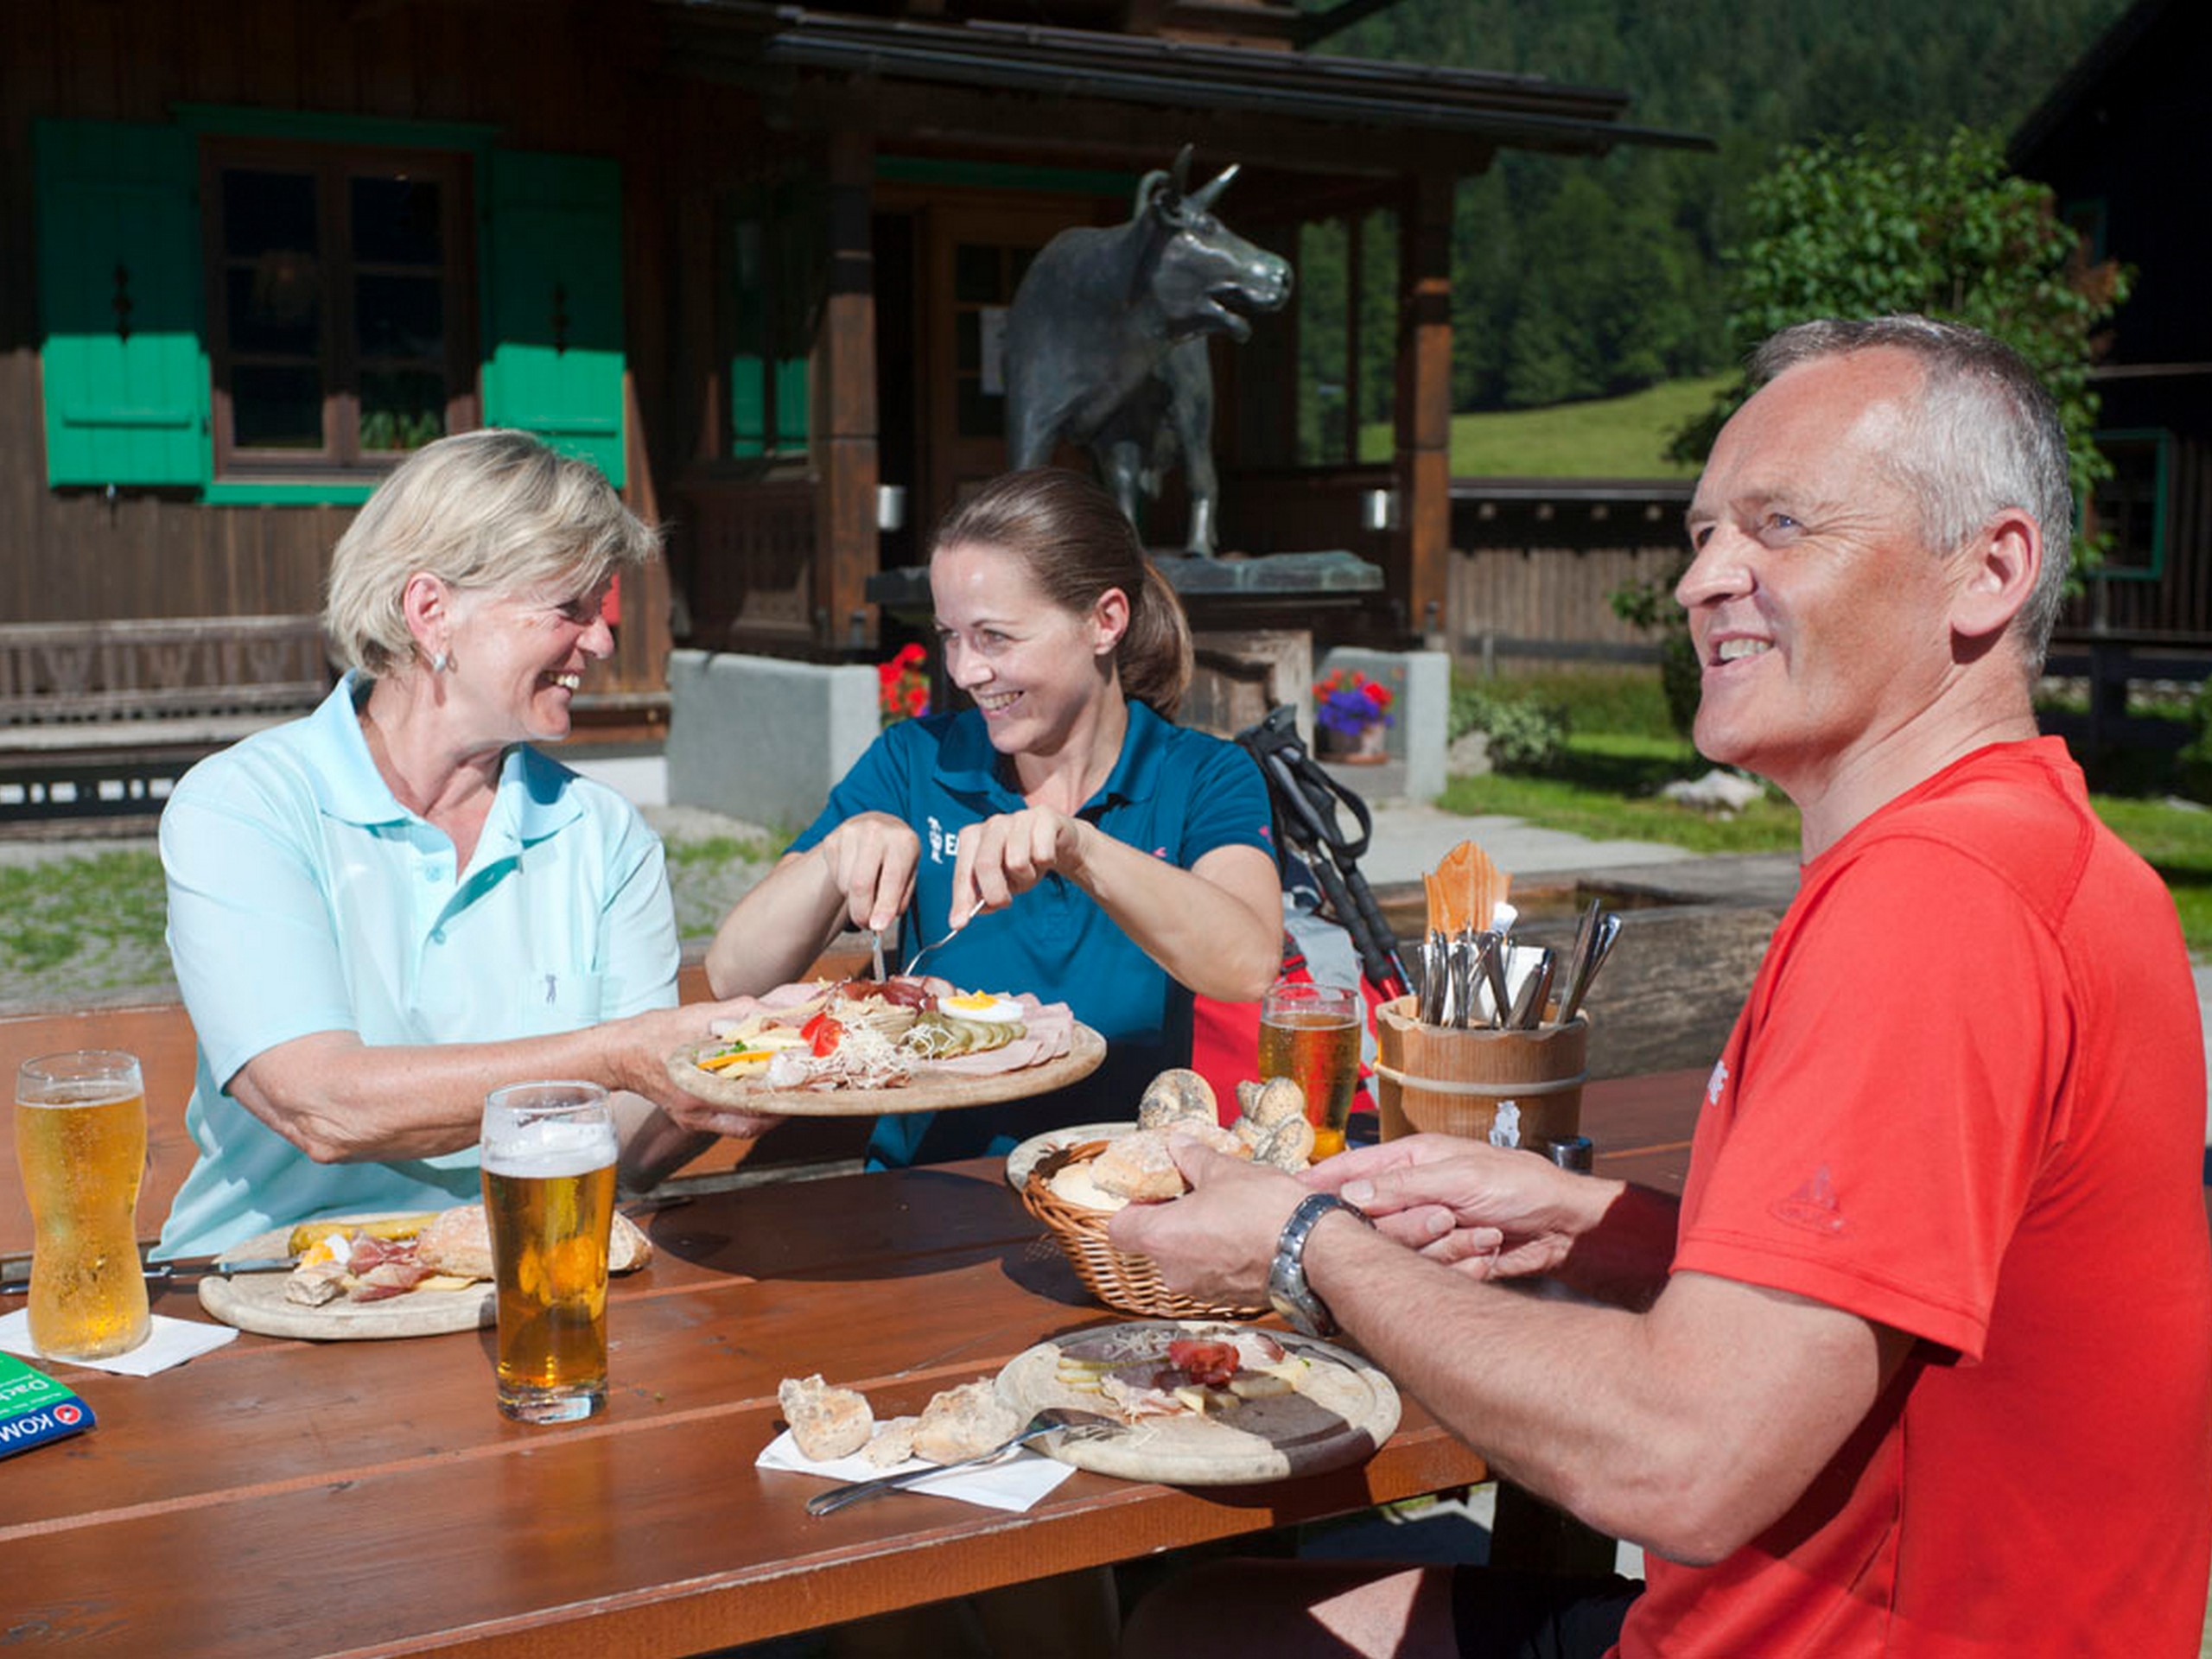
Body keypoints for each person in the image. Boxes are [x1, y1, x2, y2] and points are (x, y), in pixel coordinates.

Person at [1109, 316, 2212, 1656]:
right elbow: (1893, 1302)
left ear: (1989, 570)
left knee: (1194, 1635)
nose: (1705, 582)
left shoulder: (1936, 901)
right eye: (1701, 536)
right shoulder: (2057, 853)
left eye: (1780, 525)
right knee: (1212, 1614)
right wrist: (1596, 1222)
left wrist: (1299, 1245)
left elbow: (1680, 1462)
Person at [156, 429, 777, 1261]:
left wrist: (736, 1074)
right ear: (431, 612)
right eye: (571, 609)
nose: (601, 641)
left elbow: (625, 1142)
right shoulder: (246, 805)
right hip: (266, 1289)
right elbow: (319, 1106)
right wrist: (614, 1058)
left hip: (524, 1275)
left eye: (603, 609)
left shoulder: (603, 834)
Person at [705, 467, 1282, 1167]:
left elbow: (1248, 966)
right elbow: (734, 973)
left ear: (1105, 621)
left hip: (1114, 1197)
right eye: (950, 636)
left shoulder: (1201, 775)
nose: (965, 670)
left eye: (995, 638)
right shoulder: (915, 761)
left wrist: (1080, 848)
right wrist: (836, 857)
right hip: (924, 1199)